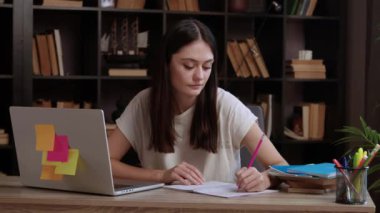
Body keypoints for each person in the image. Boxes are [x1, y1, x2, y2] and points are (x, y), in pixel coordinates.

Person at [108, 19, 288, 192]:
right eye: (188, 66)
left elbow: (281, 165)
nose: (199, 77)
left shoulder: (227, 105)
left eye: (207, 66)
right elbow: (105, 162)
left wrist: (264, 180)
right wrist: (162, 175)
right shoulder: (144, 103)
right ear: (166, 64)